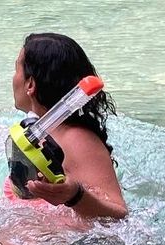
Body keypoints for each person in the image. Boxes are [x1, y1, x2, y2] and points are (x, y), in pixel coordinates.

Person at [8, 32, 128, 221]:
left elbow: (119, 213)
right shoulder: (37, 130)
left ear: (30, 84)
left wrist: (74, 196)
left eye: (16, 69)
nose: (13, 78)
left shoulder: (77, 139)